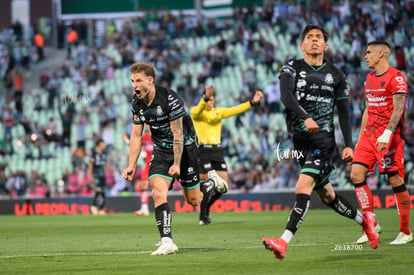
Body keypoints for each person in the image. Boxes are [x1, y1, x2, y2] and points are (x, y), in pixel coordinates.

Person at [262, 25, 379, 260]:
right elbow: (286, 96)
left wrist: (348, 144)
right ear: (302, 45)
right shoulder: (291, 67)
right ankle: (365, 221)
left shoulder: (336, 74)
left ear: (325, 46)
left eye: (319, 37)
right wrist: (305, 117)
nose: (314, 40)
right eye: (309, 37)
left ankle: (283, 242)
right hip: (300, 142)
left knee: (302, 186)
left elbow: (344, 111)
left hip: (323, 141)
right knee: (327, 196)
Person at [122, 62, 227, 256]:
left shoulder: (170, 99)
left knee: (194, 201)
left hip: (186, 149)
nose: (134, 85)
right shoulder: (136, 103)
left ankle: (212, 182)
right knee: (157, 191)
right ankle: (167, 241)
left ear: (150, 80)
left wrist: (177, 164)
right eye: (132, 81)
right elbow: (136, 135)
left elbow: (178, 134)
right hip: (161, 151)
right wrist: (131, 165)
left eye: (138, 81)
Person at [351, 41, 412, 245]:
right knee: (356, 174)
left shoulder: (397, 77)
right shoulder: (368, 79)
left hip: (390, 136)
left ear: (380, 54)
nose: (365, 56)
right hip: (369, 136)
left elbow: (399, 108)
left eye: (368, 52)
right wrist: (359, 140)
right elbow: (368, 110)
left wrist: (387, 133)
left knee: (395, 179)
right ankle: (371, 223)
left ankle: (405, 231)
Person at [191, 85, 263, 224]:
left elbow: (234, 110)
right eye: (207, 99)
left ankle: (206, 209)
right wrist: (205, 98)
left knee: (223, 186)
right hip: (202, 150)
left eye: (212, 99)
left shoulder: (218, 112)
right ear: (203, 98)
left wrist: (252, 102)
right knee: (208, 184)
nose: (210, 102)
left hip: (217, 151)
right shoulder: (197, 112)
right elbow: (197, 110)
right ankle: (203, 215)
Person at [134, 125, 153, 216]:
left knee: (158, 186)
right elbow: (136, 145)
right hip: (148, 165)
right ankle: (144, 208)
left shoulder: (157, 136)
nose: (148, 127)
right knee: (144, 185)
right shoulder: (144, 137)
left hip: (158, 163)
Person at [89, 138, 108, 215]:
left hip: (102, 175)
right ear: (99, 144)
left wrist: (111, 171)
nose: (104, 146)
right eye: (103, 144)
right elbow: (90, 164)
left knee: (103, 192)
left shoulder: (103, 154)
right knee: (98, 190)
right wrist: (91, 175)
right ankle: (94, 206)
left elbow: (105, 164)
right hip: (96, 175)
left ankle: (100, 208)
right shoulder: (94, 154)